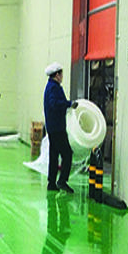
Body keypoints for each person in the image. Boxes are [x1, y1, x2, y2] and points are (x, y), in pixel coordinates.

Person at [44, 62, 75, 193]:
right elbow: (54, 103)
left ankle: (51, 183)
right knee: (67, 154)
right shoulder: (54, 88)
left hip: (52, 127)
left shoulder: (50, 86)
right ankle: (62, 181)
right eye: (61, 74)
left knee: (54, 155)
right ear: (57, 75)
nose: (62, 77)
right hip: (57, 128)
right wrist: (69, 104)